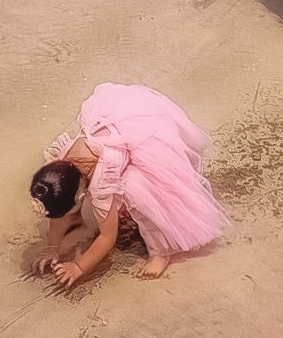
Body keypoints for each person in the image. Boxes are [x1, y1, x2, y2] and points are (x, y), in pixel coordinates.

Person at [30, 83, 229, 286]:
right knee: (72, 199)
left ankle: (161, 252)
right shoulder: (60, 166)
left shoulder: (101, 183)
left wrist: (79, 266)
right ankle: (75, 221)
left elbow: (107, 237)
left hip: (146, 141)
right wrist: (52, 246)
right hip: (123, 122)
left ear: (80, 198)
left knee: (138, 190)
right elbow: (56, 209)